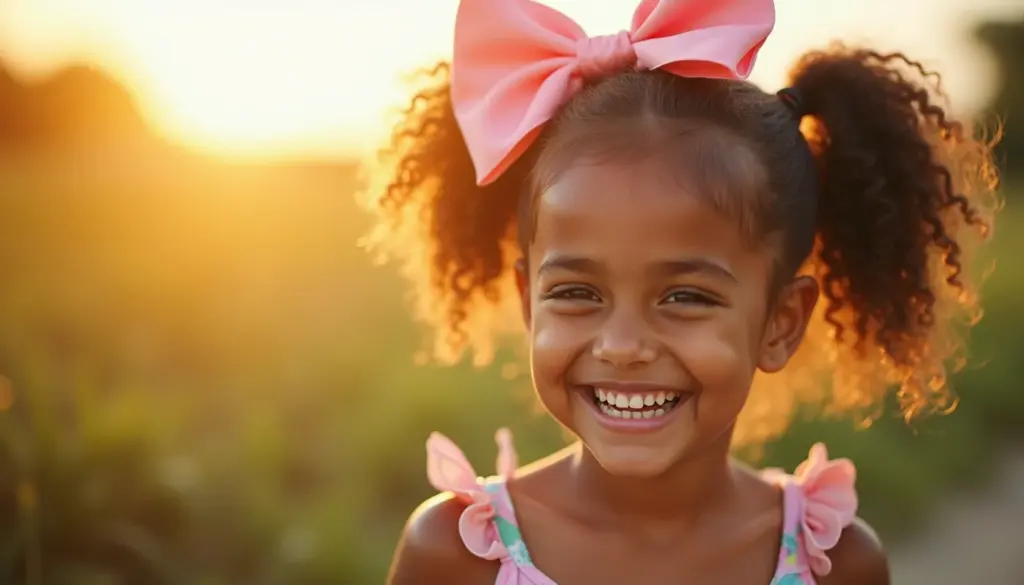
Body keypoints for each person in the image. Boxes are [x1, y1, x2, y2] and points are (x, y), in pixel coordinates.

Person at [365, 0, 999, 582]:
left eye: (686, 297)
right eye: (578, 292)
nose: (623, 346)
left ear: (780, 322)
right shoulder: (456, 553)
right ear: (530, 302)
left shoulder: (836, 562)